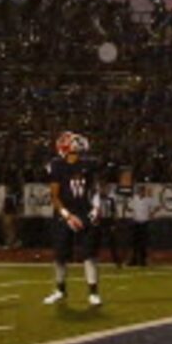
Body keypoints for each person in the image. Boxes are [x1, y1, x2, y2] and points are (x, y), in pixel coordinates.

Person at [45, 131, 102, 307]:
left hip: (84, 211)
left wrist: (96, 207)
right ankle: (60, 290)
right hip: (65, 213)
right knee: (60, 256)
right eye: (74, 142)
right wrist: (67, 216)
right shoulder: (57, 165)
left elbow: (96, 189)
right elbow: (54, 196)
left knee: (89, 255)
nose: (78, 145)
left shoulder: (89, 165)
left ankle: (93, 292)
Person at [126, 181, 156, 267]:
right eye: (140, 191)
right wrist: (132, 212)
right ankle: (133, 260)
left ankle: (143, 260)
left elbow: (156, 206)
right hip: (136, 222)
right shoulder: (134, 199)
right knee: (134, 242)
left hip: (144, 222)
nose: (141, 192)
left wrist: (152, 213)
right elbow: (129, 207)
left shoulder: (148, 199)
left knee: (143, 243)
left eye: (142, 191)